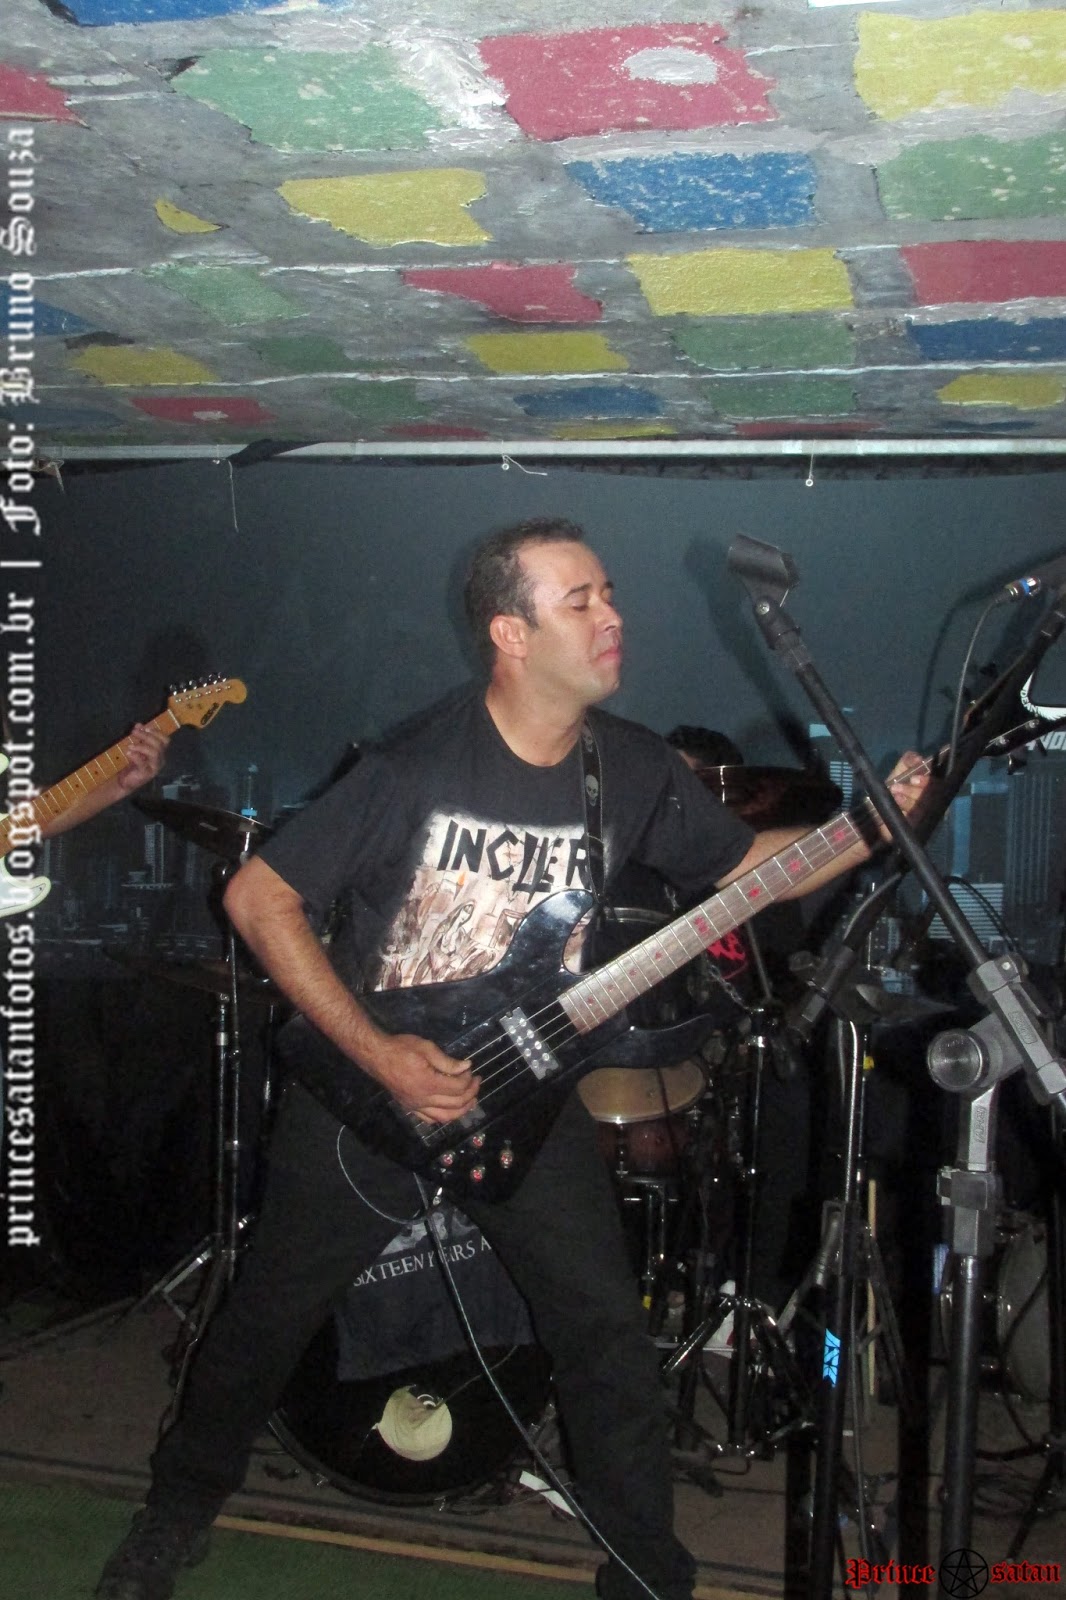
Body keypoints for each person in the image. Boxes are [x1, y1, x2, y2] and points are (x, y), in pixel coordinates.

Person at [93, 518, 928, 1600]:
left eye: (609, 593)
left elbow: (742, 872)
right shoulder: (413, 766)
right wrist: (380, 1053)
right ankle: (174, 1511)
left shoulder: (630, 767)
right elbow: (259, 897)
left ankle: (646, 1572)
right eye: (579, 601)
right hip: (365, 1100)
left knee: (604, 1335)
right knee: (266, 1319)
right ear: (510, 633)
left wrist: (869, 827)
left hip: (524, 1096)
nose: (611, 615)